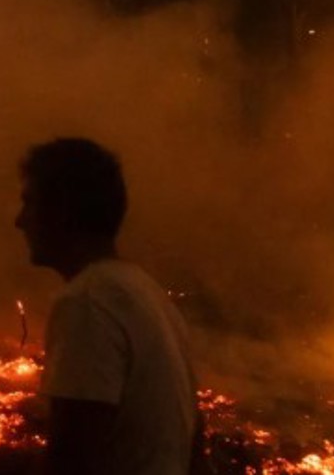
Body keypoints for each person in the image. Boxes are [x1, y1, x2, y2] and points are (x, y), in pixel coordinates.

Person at [15, 138, 203, 475]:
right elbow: (195, 444)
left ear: (62, 211)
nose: (19, 221)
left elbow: (71, 457)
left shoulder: (87, 303)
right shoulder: (147, 294)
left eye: (29, 204)